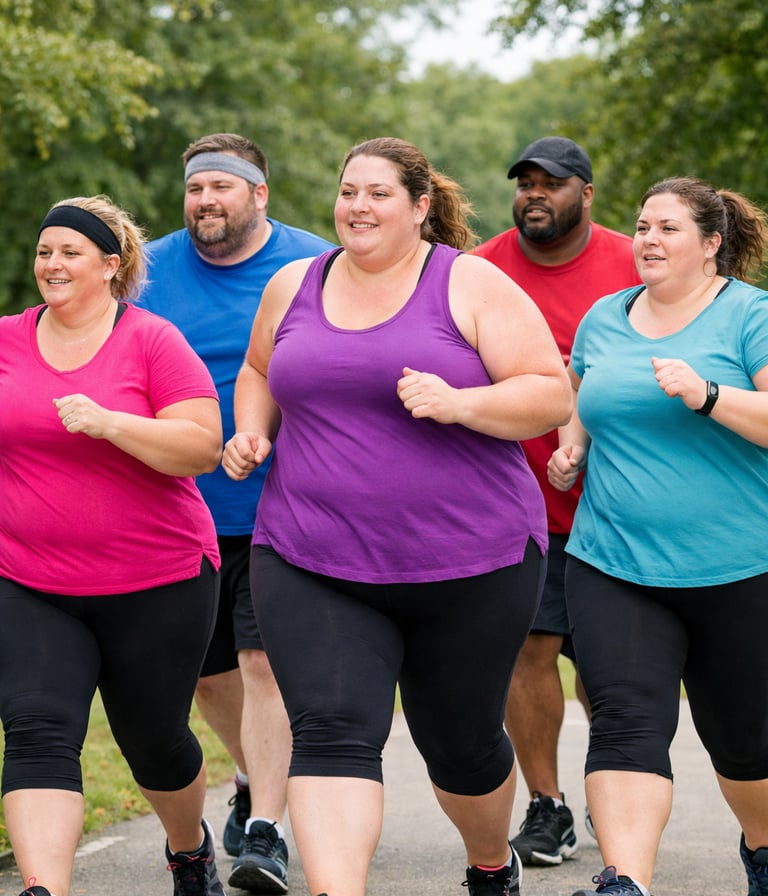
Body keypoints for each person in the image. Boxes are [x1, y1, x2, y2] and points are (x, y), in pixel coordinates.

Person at [221, 136, 572, 896]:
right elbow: (258, 371)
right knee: (332, 729)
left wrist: (461, 403)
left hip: (471, 561)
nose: (358, 206)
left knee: (462, 745)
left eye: (378, 193)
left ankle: (489, 864)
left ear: (419, 207)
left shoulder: (469, 283)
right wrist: (252, 430)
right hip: (313, 555)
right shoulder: (293, 283)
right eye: (349, 191)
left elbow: (550, 392)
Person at [547, 176, 768, 896]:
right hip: (614, 560)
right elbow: (583, 395)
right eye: (642, 226)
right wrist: (572, 446)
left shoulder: (749, 317)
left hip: (739, 567)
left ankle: (763, 852)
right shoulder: (605, 317)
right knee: (622, 722)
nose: (648, 239)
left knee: (746, 743)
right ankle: (625, 881)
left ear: (711, 245)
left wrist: (707, 394)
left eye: (668, 228)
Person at [0, 195, 225, 896]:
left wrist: (112, 423)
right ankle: (44, 887)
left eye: (70, 251)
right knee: (36, 729)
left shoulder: (152, 341)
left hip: (157, 580)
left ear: (110, 263)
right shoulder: (6, 338)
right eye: (45, 251)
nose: (53, 264)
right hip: (28, 578)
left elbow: (202, 448)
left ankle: (189, 849)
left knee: (154, 739)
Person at [139, 132, 334, 894]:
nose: (205, 201)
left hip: (283, 505)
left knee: (262, 664)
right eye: (195, 189)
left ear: (259, 195)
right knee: (209, 675)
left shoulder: (311, 265)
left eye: (222, 187)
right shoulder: (146, 270)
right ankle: (260, 780)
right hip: (177, 506)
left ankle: (267, 832)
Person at [474, 135, 640, 867]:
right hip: (519, 509)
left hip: (621, 508)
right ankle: (548, 805)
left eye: (553, 182)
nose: (535, 194)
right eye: (526, 182)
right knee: (525, 653)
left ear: (587, 194)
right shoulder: (481, 270)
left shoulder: (632, 265)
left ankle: (619, 792)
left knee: (611, 668)